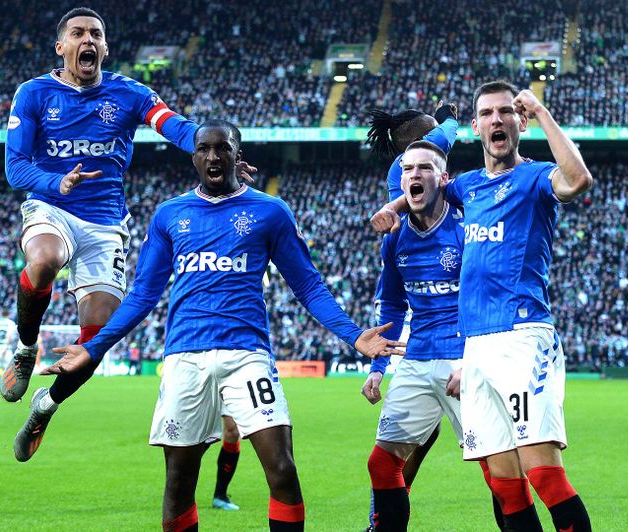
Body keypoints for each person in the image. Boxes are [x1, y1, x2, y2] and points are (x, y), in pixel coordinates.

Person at [41, 120, 405, 531]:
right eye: (204, 149)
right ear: (194, 155)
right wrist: (94, 346)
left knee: (282, 470)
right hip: (184, 357)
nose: (213, 156)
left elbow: (308, 285)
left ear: (237, 154)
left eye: (223, 148)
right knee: (179, 483)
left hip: (246, 356)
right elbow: (143, 294)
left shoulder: (270, 211)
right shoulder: (169, 215)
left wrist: (353, 334)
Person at [0, 7, 254, 462]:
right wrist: (54, 183)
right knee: (43, 259)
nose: (88, 40)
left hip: (104, 224)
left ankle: (45, 407)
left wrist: (221, 150)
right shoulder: (34, 94)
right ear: (61, 47)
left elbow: (176, 126)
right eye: (77, 33)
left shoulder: (130, 93)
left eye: (96, 34)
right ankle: (24, 349)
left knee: (98, 336)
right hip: (51, 204)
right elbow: (15, 167)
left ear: (106, 47)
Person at [372, 80, 593, 531]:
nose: (497, 119)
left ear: (520, 122)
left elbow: (577, 180)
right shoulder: (468, 187)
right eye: (487, 114)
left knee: (544, 475)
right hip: (475, 349)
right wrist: (392, 207)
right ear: (474, 127)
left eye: (506, 112)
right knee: (507, 487)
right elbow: (427, 182)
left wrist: (543, 111)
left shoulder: (534, 178)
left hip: (523, 337)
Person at [211, 416, 242, 511]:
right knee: (201, 433)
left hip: (229, 400)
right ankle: (179, 489)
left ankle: (220, 495)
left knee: (233, 432)